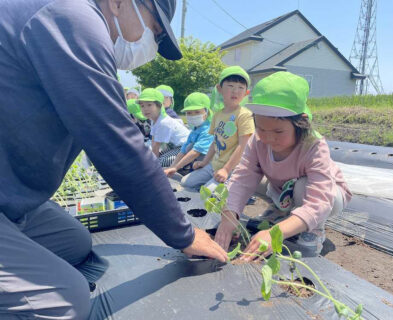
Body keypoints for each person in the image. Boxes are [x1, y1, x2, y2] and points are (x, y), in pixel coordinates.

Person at [0, 0, 227, 318]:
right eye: (155, 29)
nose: (152, 42)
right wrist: (184, 234)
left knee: (76, 242)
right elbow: (116, 145)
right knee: (63, 300)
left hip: (11, 201)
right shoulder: (69, 18)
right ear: (119, 3)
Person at [213, 72, 352, 258]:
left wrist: (274, 234)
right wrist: (230, 215)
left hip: (328, 196)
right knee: (250, 182)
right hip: (283, 189)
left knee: (302, 187)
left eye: (278, 131)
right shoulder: (257, 141)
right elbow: (242, 177)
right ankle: (281, 212)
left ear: (300, 122)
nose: (269, 137)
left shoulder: (313, 146)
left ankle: (314, 229)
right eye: (261, 128)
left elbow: (320, 200)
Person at [181, 66, 255, 190]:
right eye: (230, 86)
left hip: (232, 169)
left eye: (240, 88)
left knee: (208, 195)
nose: (235, 91)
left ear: (246, 93)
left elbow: (243, 146)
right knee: (185, 183)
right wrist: (204, 162)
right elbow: (214, 142)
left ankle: (239, 191)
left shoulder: (245, 115)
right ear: (219, 88)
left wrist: (226, 169)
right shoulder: (217, 114)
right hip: (213, 165)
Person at [164, 92, 214, 177]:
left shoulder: (209, 130)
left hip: (210, 164)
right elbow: (183, 150)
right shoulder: (195, 129)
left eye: (197, 112)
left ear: (207, 112)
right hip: (197, 163)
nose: (193, 115)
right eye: (189, 113)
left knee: (186, 183)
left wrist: (176, 168)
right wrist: (172, 167)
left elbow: (195, 152)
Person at [139, 88, 190, 166]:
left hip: (185, 148)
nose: (145, 109)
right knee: (149, 156)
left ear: (159, 105)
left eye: (149, 105)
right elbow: (153, 140)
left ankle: (184, 166)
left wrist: (153, 165)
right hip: (174, 147)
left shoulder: (163, 122)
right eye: (142, 106)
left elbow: (156, 146)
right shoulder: (154, 119)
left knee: (160, 162)